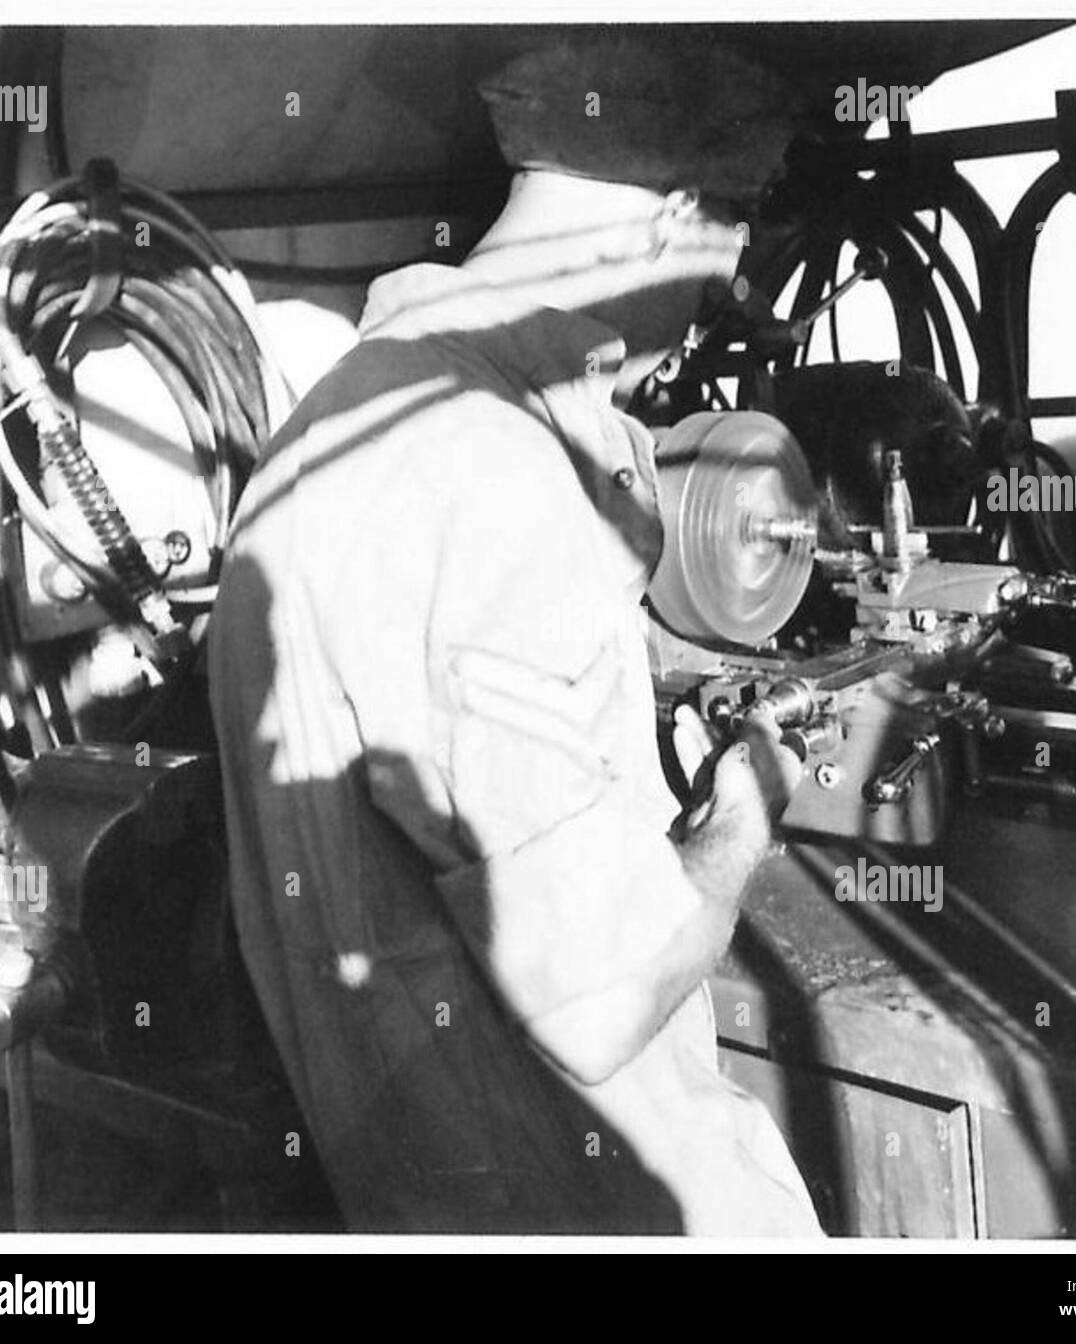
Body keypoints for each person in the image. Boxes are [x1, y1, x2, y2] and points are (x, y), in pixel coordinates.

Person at [209, 35, 823, 1235]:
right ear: (674, 222)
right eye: (709, 282)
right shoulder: (488, 469)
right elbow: (599, 995)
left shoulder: (331, 425)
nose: (689, 337)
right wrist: (746, 808)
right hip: (594, 1198)